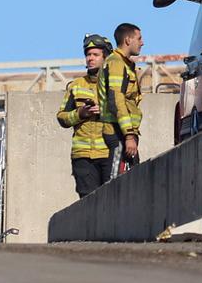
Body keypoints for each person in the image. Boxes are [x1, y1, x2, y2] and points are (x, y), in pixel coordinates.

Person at [57, 33, 113, 196]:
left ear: (105, 58)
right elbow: (62, 117)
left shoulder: (114, 85)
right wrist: (81, 113)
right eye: (88, 55)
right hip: (83, 157)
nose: (90, 58)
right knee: (87, 205)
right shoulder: (76, 86)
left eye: (95, 55)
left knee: (112, 200)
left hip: (108, 153)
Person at [100, 22, 144, 177]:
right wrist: (129, 136)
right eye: (139, 38)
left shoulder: (125, 64)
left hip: (124, 133)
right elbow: (117, 100)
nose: (142, 42)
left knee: (133, 180)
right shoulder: (116, 63)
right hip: (118, 132)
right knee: (114, 184)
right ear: (128, 40)